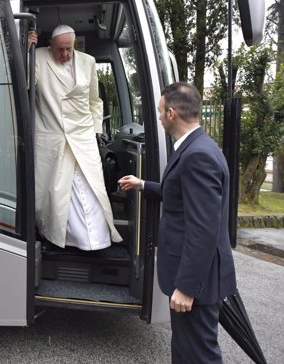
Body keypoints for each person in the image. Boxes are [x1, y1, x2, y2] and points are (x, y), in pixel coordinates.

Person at [118, 82, 237, 363]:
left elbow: (203, 229)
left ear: (171, 113)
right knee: (185, 349)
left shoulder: (197, 156)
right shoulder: (197, 146)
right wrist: (144, 184)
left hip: (197, 284)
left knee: (198, 354)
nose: (158, 117)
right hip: (198, 280)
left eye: (160, 111)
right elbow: (183, 196)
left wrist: (185, 287)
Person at [29, 25, 122, 250]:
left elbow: (94, 101)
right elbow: (25, 85)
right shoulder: (37, 57)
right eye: (60, 49)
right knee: (58, 193)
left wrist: (96, 132)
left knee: (93, 188)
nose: (65, 54)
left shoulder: (88, 62)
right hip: (53, 138)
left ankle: (96, 240)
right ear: (50, 45)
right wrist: (26, 51)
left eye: (69, 49)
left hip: (83, 138)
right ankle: (64, 239)